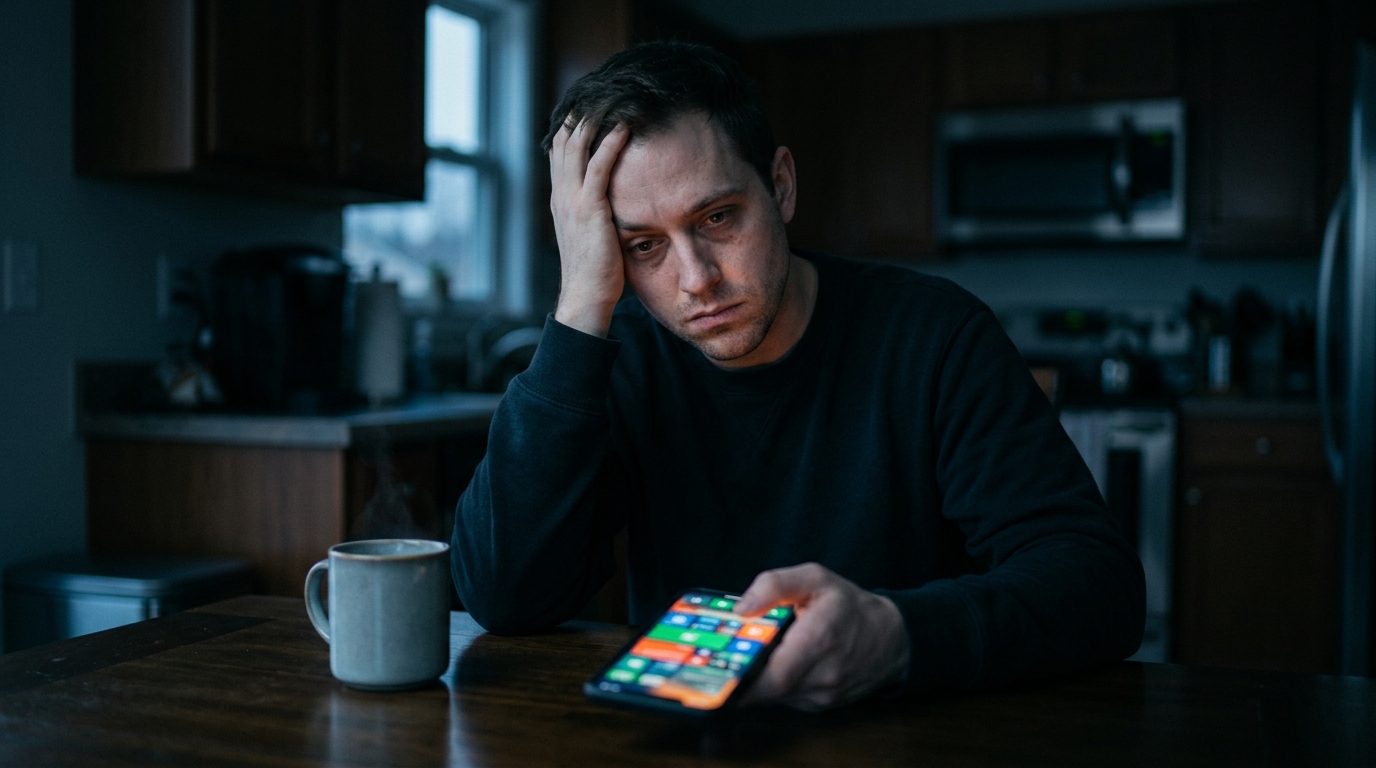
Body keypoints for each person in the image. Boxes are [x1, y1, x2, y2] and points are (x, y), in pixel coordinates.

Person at [451, 40, 1145, 711]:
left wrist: (897, 637)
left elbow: (1097, 586)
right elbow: (503, 595)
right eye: (644, 246)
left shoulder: (935, 335)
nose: (696, 280)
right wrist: (578, 305)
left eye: (718, 217)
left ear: (780, 185)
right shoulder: (620, 358)